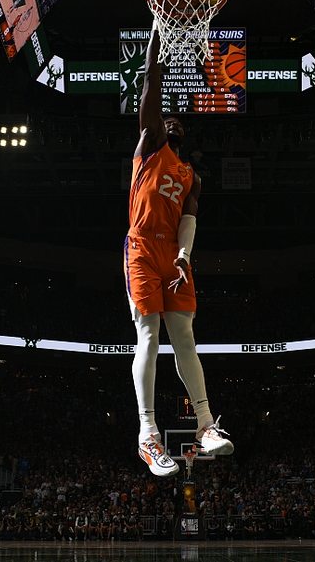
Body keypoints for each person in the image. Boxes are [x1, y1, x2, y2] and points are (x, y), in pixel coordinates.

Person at [125, 26, 233, 476]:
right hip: (141, 247)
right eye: (166, 120)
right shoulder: (150, 145)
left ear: (185, 135)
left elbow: (189, 220)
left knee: (184, 337)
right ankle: (147, 433)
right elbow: (150, 80)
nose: (171, 123)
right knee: (148, 335)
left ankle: (206, 425)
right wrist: (159, 36)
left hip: (174, 254)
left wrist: (185, 259)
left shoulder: (192, 176)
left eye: (177, 124)